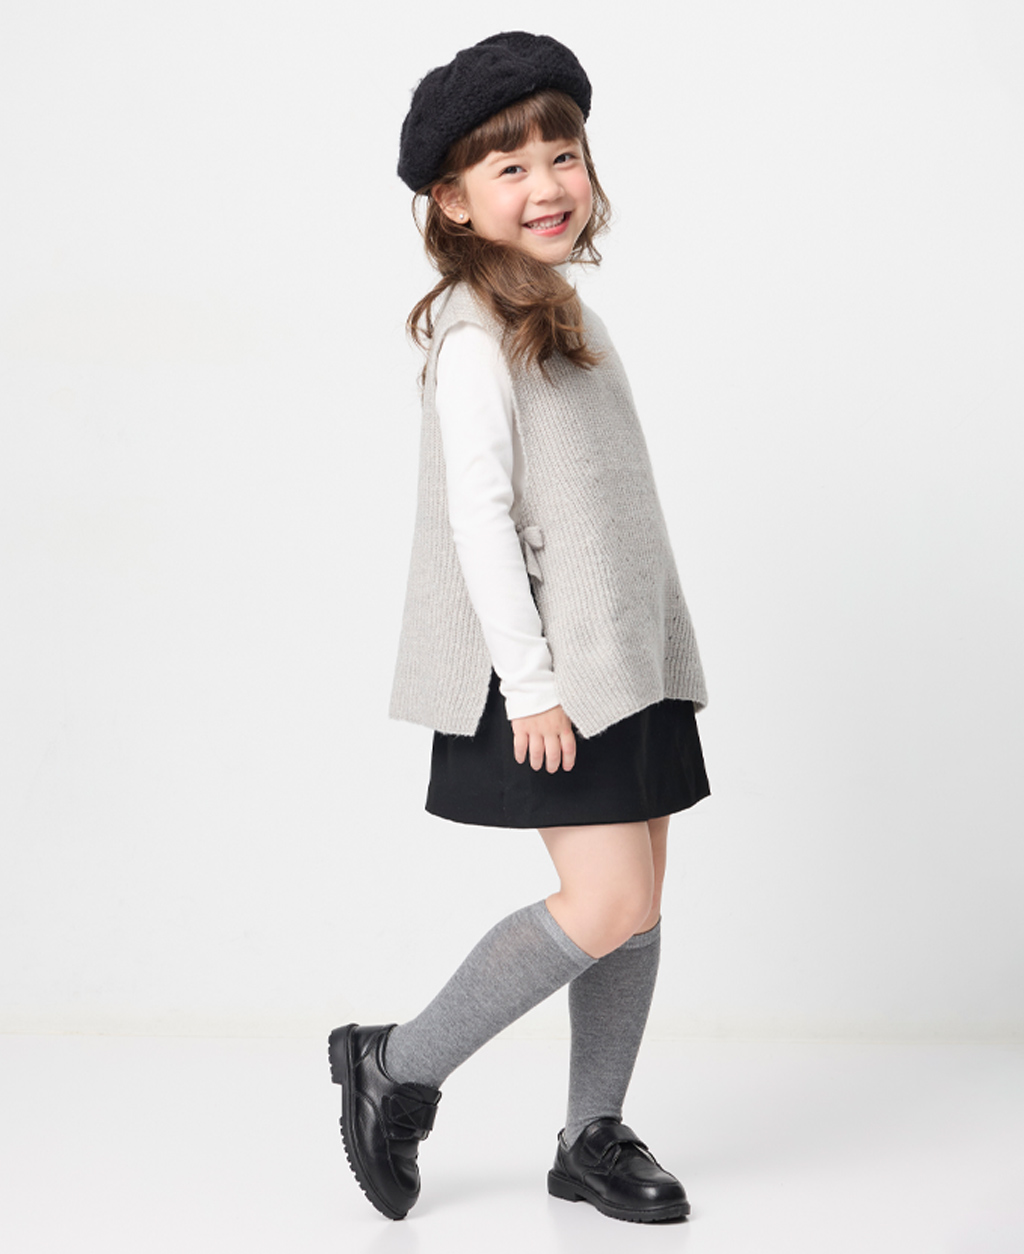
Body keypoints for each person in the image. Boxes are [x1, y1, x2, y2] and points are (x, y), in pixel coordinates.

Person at [329, 30, 710, 1225]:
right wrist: (532, 688)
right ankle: (396, 1065)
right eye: (509, 168)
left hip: (624, 656)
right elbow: (478, 520)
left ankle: (590, 1133)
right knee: (602, 900)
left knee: (636, 903)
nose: (547, 185)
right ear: (451, 200)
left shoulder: (558, 307)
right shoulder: (471, 331)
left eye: (563, 155)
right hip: (552, 673)